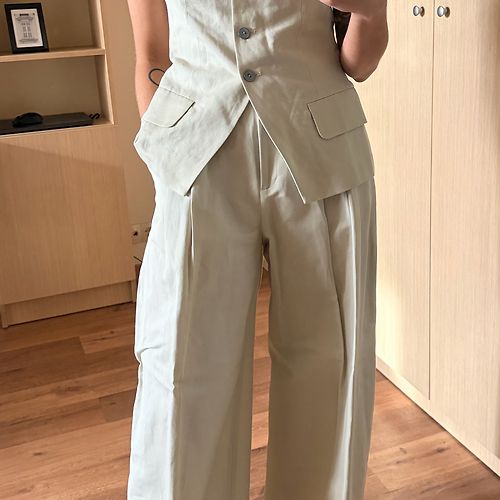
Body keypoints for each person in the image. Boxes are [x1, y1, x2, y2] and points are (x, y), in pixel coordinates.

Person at [126, 1, 388, 499]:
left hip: (322, 151)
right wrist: (162, 156)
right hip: (195, 156)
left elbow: (360, 62)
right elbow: (151, 53)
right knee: (180, 359)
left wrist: (372, 11)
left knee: (331, 362)